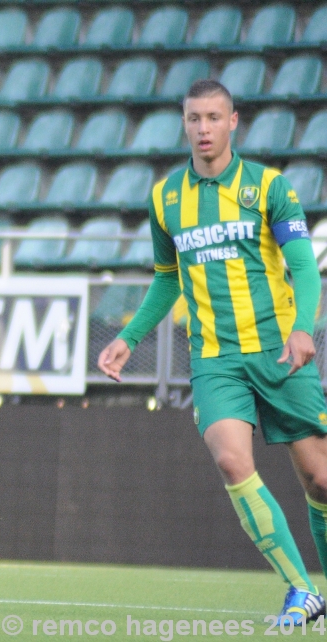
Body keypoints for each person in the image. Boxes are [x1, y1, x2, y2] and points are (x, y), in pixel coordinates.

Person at [98, 79, 327, 626]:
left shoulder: (270, 187)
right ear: (184, 123)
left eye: (213, 117)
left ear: (233, 122)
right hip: (215, 359)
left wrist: (302, 329)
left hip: (278, 351)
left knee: (320, 480)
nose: (203, 128)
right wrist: (129, 337)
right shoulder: (165, 198)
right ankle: (301, 590)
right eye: (194, 118)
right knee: (230, 459)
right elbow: (165, 280)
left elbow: (302, 265)